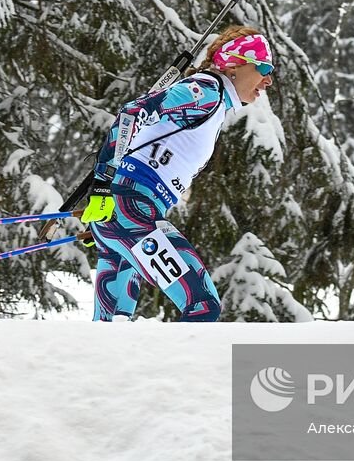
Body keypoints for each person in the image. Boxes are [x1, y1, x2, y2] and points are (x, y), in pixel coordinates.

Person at [81, 25, 275, 321]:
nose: (268, 79)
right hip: (131, 210)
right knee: (203, 306)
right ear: (234, 64)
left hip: (127, 212)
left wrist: (110, 216)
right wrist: (103, 186)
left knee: (110, 330)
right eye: (263, 67)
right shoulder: (207, 92)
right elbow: (132, 113)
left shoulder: (216, 103)